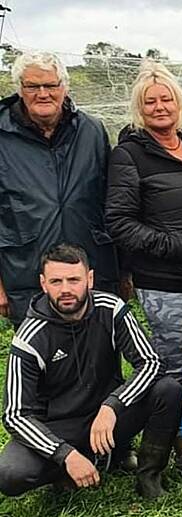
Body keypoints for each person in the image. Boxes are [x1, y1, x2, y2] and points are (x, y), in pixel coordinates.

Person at [105, 61, 182, 480]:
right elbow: (118, 221)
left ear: (179, 102)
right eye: (150, 101)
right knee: (176, 368)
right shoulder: (130, 155)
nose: (159, 107)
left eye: (166, 98)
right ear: (139, 108)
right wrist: (172, 246)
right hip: (167, 285)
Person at [0, 244, 182, 498]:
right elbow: (15, 415)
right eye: (56, 281)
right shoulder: (29, 337)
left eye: (74, 279)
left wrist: (113, 405)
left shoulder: (112, 308)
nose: (65, 289)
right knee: (10, 474)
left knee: (168, 390)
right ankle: (71, 467)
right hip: (58, 426)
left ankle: (148, 476)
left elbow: (151, 362)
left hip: (107, 417)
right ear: (43, 283)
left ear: (90, 278)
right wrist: (65, 454)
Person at [0, 51, 118, 327]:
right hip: (26, 272)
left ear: (64, 87)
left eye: (51, 85)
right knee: (39, 360)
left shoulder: (91, 131)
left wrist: (122, 271)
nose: (43, 93)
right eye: (32, 86)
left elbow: (110, 202)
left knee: (99, 355)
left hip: (90, 269)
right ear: (20, 89)